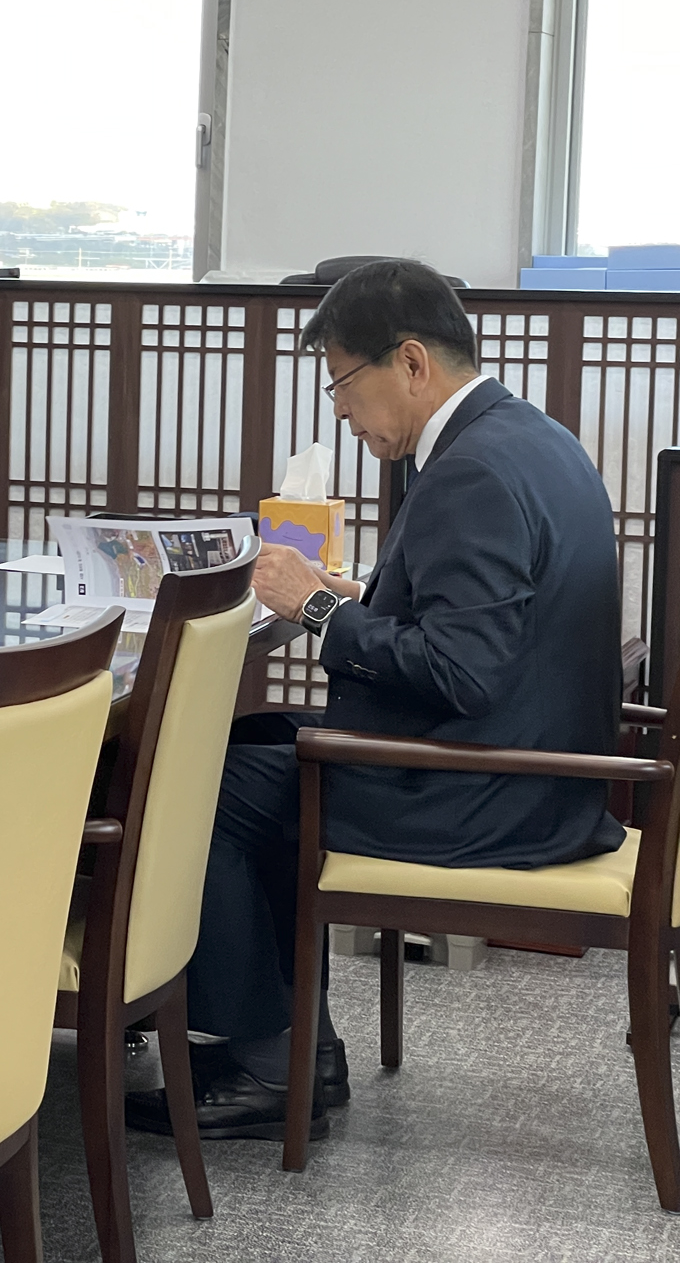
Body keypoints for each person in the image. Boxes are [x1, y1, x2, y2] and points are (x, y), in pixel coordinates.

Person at [126, 259, 624, 1142]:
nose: (344, 414)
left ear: (411, 363)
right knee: (244, 746)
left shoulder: (469, 473)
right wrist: (359, 597)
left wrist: (313, 607)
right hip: (536, 769)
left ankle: (267, 1063)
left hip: (484, 791)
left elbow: (463, 670)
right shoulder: (531, 438)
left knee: (199, 792)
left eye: (345, 386)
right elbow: (483, 631)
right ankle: (293, 1043)